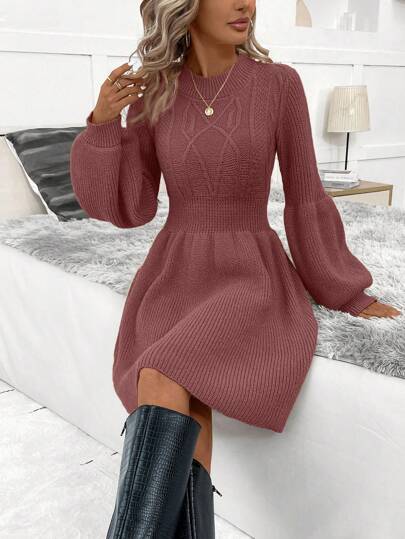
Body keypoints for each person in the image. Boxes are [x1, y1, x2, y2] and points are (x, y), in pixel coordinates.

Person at [70, 0, 400, 537]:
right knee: (181, 394)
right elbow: (132, 208)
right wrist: (104, 124)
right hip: (174, 273)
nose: (246, 3)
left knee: (162, 370)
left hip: (251, 273)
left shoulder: (279, 85)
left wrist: (347, 292)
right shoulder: (154, 93)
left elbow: (305, 196)